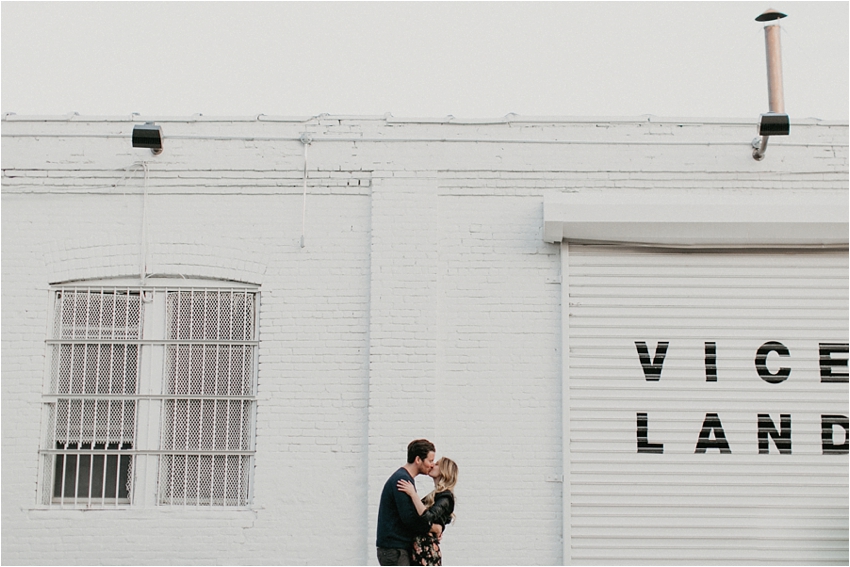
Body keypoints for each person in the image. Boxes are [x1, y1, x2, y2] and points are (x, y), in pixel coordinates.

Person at [376, 439, 442, 566]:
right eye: (430, 460)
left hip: (396, 548)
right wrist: (433, 528)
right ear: (418, 460)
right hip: (395, 549)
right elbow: (409, 518)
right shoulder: (402, 480)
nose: (432, 465)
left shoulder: (405, 479)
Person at [397, 457, 458, 567]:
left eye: (437, 464)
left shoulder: (446, 497)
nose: (432, 465)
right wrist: (439, 527)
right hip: (420, 548)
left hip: (427, 551)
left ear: (444, 471)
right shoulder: (436, 495)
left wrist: (413, 494)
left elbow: (428, 517)